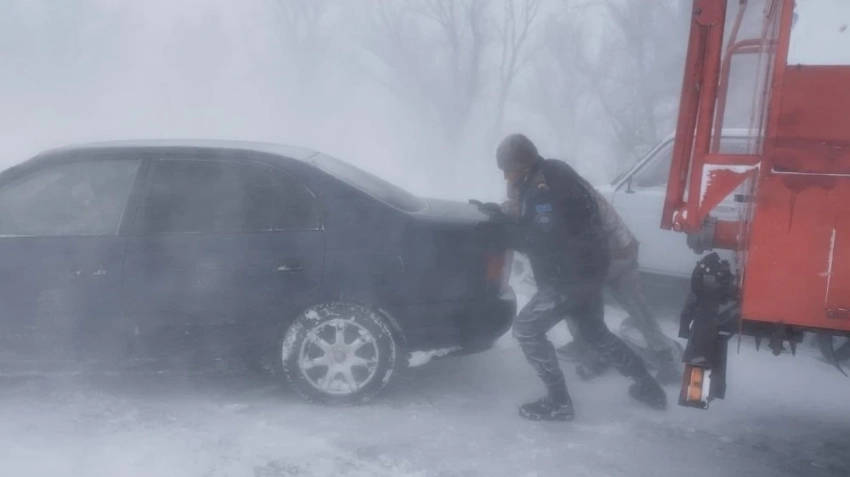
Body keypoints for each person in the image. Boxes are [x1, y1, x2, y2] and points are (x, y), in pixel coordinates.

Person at [484, 133, 667, 421]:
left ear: (523, 163)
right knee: (594, 331)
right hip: (587, 271)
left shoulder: (544, 189)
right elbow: (544, 224)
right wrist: (503, 215)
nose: (506, 176)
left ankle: (559, 402)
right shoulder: (553, 171)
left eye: (508, 169)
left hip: (568, 276)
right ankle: (648, 386)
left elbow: (541, 238)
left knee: (527, 330)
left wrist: (503, 231)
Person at [507, 172, 683, 385]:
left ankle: (602, 356)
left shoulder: (551, 194)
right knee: (628, 306)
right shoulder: (558, 184)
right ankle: (658, 355)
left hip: (611, 253)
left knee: (580, 303)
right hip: (615, 249)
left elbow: (551, 228)